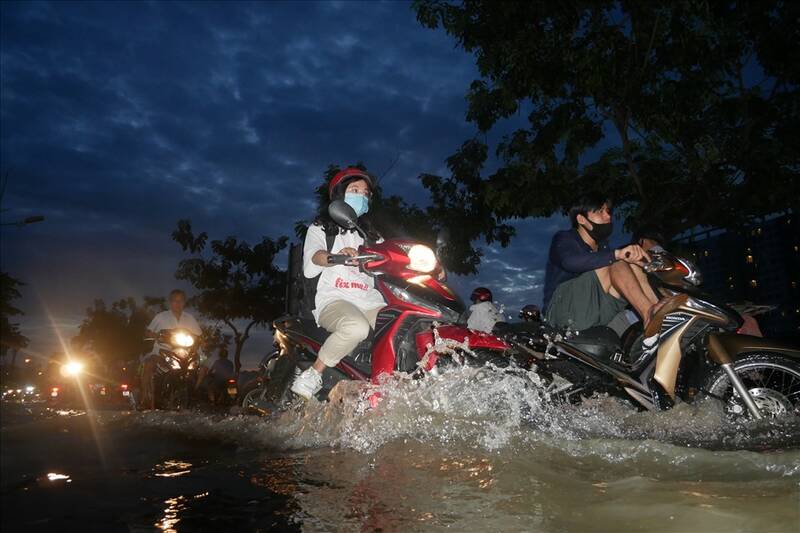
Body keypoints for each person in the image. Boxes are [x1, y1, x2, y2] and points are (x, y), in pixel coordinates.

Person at [290, 168, 386, 400]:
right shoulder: (320, 228)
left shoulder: (372, 236)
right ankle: (313, 374)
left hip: (370, 301)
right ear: (340, 195)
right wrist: (336, 256)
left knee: (403, 326)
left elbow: (392, 256)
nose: (361, 196)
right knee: (356, 327)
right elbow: (315, 257)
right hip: (335, 299)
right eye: (354, 190)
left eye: (365, 193)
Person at [542, 196, 683, 335]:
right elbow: (570, 262)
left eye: (608, 212)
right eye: (600, 212)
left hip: (594, 311)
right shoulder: (565, 238)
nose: (608, 216)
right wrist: (616, 255)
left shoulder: (603, 246)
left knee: (632, 265)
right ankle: (648, 314)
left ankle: (661, 315)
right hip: (563, 311)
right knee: (617, 261)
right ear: (581, 219)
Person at [141, 289, 202, 409]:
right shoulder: (161, 317)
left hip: (184, 353)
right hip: (161, 352)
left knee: (202, 367)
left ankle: (197, 395)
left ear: (184, 302)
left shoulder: (189, 318)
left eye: (180, 301)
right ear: (170, 302)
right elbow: (148, 332)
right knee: (148, 364)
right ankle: (144, 397)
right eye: (175, 301)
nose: (177, 304)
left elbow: (199, 335)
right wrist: (155, 335)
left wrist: (203, 341)